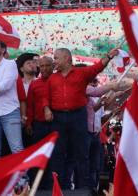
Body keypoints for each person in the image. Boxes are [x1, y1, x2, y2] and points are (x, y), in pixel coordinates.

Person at [46, 47, 118, 189]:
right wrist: (46, 109)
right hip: (58, 117)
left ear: (67, 58)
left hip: (78, 116)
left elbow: (98, 67)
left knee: (81, 153)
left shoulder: (81, 73)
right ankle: (60, 187)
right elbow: (46, 97)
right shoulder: (52, 78)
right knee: (59, 152)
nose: (54, 61)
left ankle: (83, 188)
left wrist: (109, 56)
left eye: (56, 58)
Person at [26, 56, 54, 189]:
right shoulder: (34, 84)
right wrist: (29, 123)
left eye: (47, 65)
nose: (44, 69)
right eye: (41, 66)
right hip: (39, 125)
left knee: (55, 157)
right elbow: (30, 105)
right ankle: (37, 187)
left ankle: (52, 187)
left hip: (56, 125)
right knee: (38, 156)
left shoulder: (58, 81)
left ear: (53, 66)